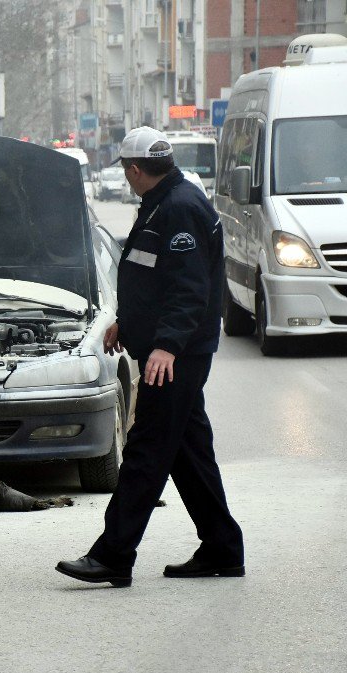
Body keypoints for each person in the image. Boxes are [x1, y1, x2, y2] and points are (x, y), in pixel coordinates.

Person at [56, 127, 244, 587]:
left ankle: (113, 556)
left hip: (177, 356)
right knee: (188, 452)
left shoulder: (179, 209)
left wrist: (166, 345)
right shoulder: (164, 201)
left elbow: (189, 289)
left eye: (125, 169)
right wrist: (129, 323)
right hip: (171, 349)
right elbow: (151, 277)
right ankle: (222, 546)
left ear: (135, 170)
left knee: (145, 450)